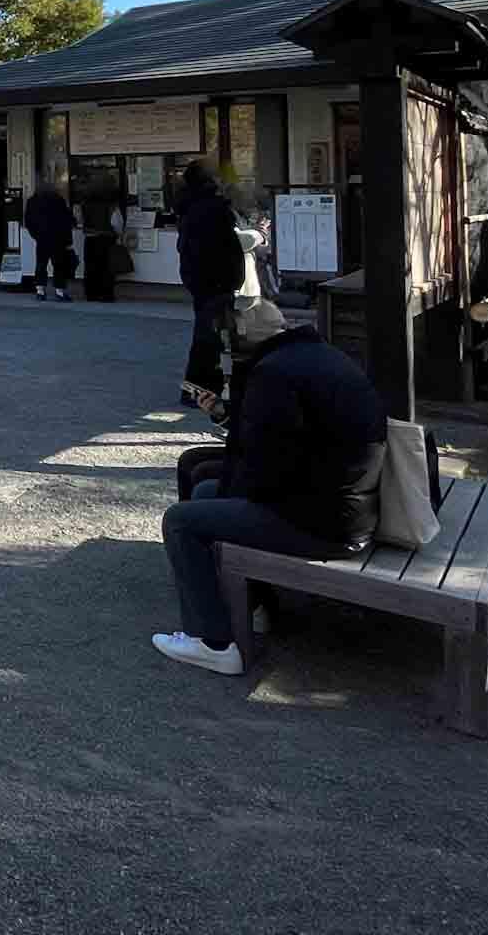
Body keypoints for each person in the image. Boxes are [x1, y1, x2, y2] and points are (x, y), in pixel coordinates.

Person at [151, 300, 386, 675]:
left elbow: (265, 466)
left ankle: (212, 642)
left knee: (181, 519)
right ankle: (252, 604)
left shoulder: (273, 374)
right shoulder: (317, 355)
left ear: (244, 337)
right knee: (203, 493)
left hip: (321, 522)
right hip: (345, 504)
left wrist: (233, 486)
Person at [175, 160, 243, 407]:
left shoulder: (192, 206)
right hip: (214, 279)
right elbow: (222, 246)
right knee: (209, 336)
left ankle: (206, 388)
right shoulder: (211, 208)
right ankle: (196, 390)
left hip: (203, 279)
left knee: (211, 336)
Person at [23, 180, 75, 302]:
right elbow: (66, 219)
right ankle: (59, 291)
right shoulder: (58, 199)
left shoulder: (32, 201)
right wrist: (67, 239)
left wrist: (36, 235)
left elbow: (28, 220)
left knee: (41, 264)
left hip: (42, 238)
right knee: (58, 265)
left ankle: (40, 291)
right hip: (57, 238)